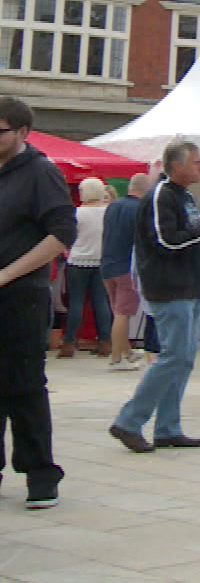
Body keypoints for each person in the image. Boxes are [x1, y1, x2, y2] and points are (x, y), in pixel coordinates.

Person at [111, 140, 200, 453]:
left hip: (187, 285)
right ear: (176, 165)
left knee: (183, 358)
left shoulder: (184, 196)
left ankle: (167, 427)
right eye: (196, 162)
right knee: (173, 356)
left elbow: (190, 235)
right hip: (169, 286)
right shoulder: (161, 195)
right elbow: (166, 242)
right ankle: (129, 420)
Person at [0, 97, 78, 508]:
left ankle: (40, 474)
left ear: (22, 132)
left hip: (21, 295)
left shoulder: (41, 172)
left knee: (24, 385)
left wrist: (7, 274)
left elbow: (62, 232)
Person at [57, 177, 112, 359]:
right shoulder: (108, 212)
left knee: (76, 302)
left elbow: (69, 236)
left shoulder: (77, 213)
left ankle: (68, 343)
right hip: (101, 259)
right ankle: (105, 341)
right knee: (101, 302)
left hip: (78, 260)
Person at [100, 173, 151, 370]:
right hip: (126, 266)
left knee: (117, 311)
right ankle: (116, 359)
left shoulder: (113, 205)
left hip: (107, 264)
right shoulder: (140, 209)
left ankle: (126, 352)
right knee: (123, 313)